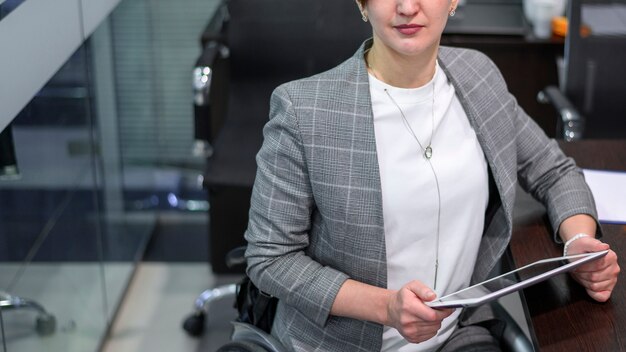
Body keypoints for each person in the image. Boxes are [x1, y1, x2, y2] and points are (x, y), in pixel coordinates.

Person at [243, 0, 620, 351]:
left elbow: (553, 170)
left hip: (456, 334)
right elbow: (271, 258)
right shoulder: (304, 110)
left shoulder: (479, 75)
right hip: (343, 342)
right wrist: (387, 307)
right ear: (362, 3)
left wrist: (578, 245)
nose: (408, 7)